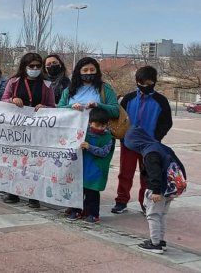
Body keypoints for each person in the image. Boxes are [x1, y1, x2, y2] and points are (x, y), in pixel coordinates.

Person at [112, 66, 173, 214]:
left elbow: (167, 122)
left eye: (148, 83)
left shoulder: (161, 101)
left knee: (148, 175)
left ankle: (145, 203)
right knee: (125, 173)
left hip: (150, 145)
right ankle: (121, 201)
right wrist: (123, 135)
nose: (144, 86)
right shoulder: (128, 98)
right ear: (136, 81)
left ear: (154, 81)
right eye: (141, 83)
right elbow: (119, 118)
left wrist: (155, 137)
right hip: (129, 143)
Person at [1, 52, 56, 207]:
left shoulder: (46, 85)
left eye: (38, 66)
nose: (35, 69)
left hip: (37, 130)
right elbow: (2, 100)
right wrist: (12, 99)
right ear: (24, 66)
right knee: (15, 160)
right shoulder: (13, 82)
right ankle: (13, 192)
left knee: (35, 163)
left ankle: (34, 195)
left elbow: (53, 106)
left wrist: (44, 107)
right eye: (31, 66)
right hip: (17, 129)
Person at [124, 127, 186, 254]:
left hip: (159, 190)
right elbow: (179, 165)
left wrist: (155, 191)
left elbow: (154, 173)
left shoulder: (150, 153)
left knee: (153, 215)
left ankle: (155, 244)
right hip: (170, 187)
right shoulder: (159, 146)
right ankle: (160, 241)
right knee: (162, 215)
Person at [66, 107, 114, 224]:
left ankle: (93, 214)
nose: (100, 128)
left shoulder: (109, 138)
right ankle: (76, 210)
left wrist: (89, 147)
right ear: (90, 122)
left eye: (103, 126)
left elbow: (104, 152)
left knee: (92, 193)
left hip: (96, 170)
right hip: (82, 168)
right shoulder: (84, 133)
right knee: (79, 191)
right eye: (97, 125)